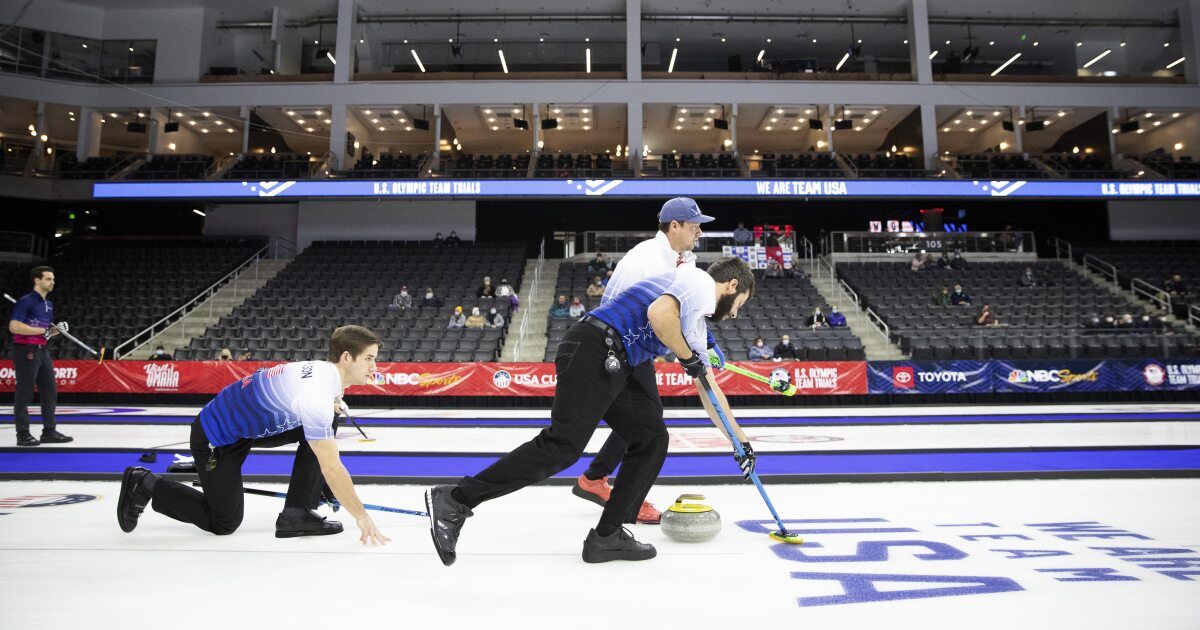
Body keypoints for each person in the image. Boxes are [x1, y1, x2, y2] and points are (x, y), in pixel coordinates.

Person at [425, 257, 757, 566]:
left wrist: (738, 441)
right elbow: (659, 315)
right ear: (730, 286)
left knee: (651, 437)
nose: (734, 315)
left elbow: (707, 388)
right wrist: (687, 356)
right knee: (563, 446)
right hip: (595, 346)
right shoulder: (699, 282)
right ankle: (457, 498)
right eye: (739, 305)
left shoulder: (696, 323)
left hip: (617, 359)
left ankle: (607, 535)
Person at [115, 326, 390, 546]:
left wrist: (320, 480)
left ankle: (297, 514)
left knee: (328, 419)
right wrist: (361, 516)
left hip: (243, 426)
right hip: (216, 436)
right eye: (369, 358)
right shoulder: (316, 396)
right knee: (223, 522)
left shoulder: (323, 372)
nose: (374, 367)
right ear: (346, 357)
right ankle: (147, 483)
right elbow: (331, 466)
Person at [570, 197, 723, 525]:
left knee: (645, 420)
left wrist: (707, 342)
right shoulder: (648, 259)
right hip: (617, 345)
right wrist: (687, 352)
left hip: (633, 348)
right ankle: (620, 497)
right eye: (694, 225)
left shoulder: (683, 259)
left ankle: (595, 478)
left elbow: (688, 308)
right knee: (647, 426)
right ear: (674, 226)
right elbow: (653, 316)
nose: (700, 231)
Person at [8, 266, 72, 447]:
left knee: (50, 391)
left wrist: (54, 331)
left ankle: (49, 432)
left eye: (53, 279)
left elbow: (44, 332)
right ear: (37, 280)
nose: (53, 282)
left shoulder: (48, 304)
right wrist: (43, 330)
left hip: (42, 350)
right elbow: (14, 327)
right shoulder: (25, 301)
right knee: (25, 392)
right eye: (48, 279)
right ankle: (23, 434)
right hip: (26, 350)